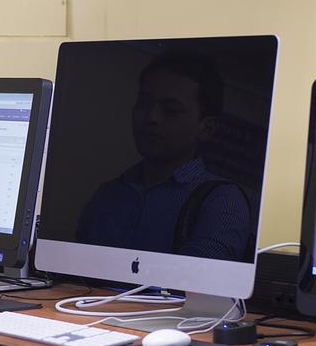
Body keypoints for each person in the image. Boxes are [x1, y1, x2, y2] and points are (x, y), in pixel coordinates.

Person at [76, 50, 254, 259]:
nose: (152, 117)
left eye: (171, 109)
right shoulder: (109, 194)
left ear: (207, 128)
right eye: (144, 104)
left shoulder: (221, 200)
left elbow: (195, 282)